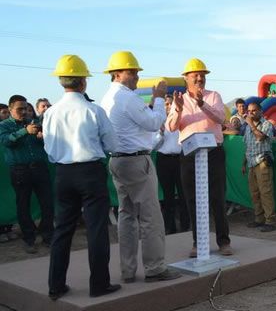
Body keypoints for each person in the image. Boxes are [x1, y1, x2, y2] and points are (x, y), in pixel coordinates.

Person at [44, 54, 120, 299]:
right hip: (90, 172)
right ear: (83, 82)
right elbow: (112, 144)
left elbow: (49, 149)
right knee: (96, 229)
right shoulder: (93, 110)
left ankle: (56, 285)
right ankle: (99, 284)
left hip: (63, 173)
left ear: (61, 82)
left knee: (62, 229)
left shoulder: (51, 113)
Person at [101, 51, 180, 283]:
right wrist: (158, 98)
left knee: (126, 215)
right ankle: (155, 268)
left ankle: (128, 270)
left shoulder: (109, 97)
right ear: (117, 74)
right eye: (132, 71)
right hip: (136, 161)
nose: (136, 76)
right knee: (150, 216)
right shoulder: (127, 98)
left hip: (117, 160)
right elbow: (155, 122)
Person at [167, 57, 232, 257]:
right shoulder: (179, 100)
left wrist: (202, 104)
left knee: (217, 197)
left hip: (213, 153)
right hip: (190, 155)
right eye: (195, 75)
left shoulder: (214, 96)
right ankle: (198, 242)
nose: (199, 78)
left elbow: (221, 119)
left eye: (202, 75)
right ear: (186, 78)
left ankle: (223, 241)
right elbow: (171, 127)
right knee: (192, 199)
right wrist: (177, 109)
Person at [0, 95, 55, 253]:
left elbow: (43, 144)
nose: (24, 112)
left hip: (39, 168)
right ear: (10, 109)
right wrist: (25, 131)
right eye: (20, 109)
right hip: (20, 170)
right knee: (23, 205)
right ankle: (29, 238)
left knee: (47, 203)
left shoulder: (34, 123)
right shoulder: (5, 125)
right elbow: (7, 141)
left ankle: (47, 235)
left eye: (25, 108)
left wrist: (41, 137)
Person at [155, 95, 189, 234]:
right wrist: (160, 133)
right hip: (164, 160)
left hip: (180, 159)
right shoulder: (157, 122)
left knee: (183, 194)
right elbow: (154, 145)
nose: (168, 106)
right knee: (168, 196)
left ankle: (186, 225)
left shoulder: (181, 119)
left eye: (170, 104)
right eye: (166, 104)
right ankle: (169, 227)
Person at [241, 102, 276, 232]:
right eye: (249, 111)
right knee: (254, 193)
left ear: (261, 111)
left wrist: (250, 124)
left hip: (262, 162)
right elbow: (247, 147)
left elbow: (260, 138)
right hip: (251, 163)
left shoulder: (266, 124)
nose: (251, 113)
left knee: (265, 192)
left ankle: (270, 220)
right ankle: (259, 218)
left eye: (254, 110)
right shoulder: (247, 127)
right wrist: (243, 163)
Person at [0, 103, 18, 243]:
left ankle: (8, 228)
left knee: (9, 198)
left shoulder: (11, 127)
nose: (5, 115)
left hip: (9, 169)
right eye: (3, 112)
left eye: (7, 112)